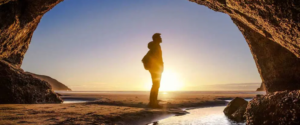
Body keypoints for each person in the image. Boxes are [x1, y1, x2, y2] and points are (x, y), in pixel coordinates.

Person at [142, 33, 164, 108]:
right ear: (156, 39)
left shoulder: (157, 46)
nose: (161, 38)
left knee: (156, 85)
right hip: (155, 69)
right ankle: (152, 103)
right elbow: (144, 59)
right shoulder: (155, 47)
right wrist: (152, 67)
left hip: (157, 69)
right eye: (159, 37)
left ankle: (153, 101)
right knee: (156, 85)